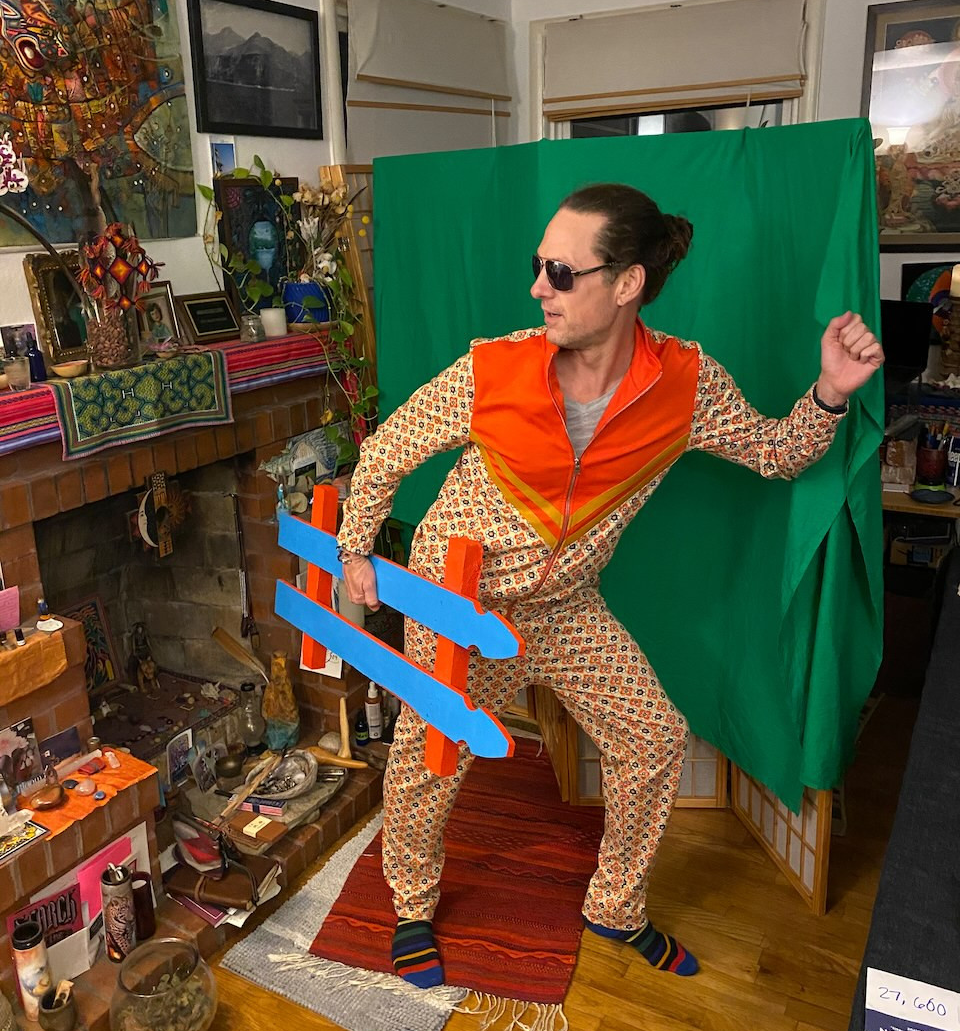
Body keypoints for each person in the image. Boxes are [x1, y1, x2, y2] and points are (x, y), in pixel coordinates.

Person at [337, 182, 883, 988]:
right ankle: (412, 905)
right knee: (430, 755)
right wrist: (355, 550)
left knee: (653, 739)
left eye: (561, 272)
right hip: (463, 605)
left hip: (565, 606)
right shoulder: (495, 369)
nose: (538, 288)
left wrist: (831, 391)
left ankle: (616, 907)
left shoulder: (686, 384)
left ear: (627, 283)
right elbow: (386, 452)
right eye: (537, 266)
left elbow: (775, 454)